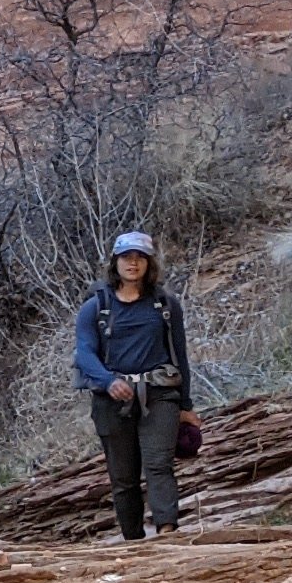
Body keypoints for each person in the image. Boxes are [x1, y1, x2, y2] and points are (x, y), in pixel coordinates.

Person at [74, 228, 192, 541]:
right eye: (127, 257)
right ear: (115, 262)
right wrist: (108, 381)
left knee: (159, 464)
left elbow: (179, 355)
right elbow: (84, 354)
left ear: (149, 264)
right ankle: (133, 541)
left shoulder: (165, 305)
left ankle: (167, 530)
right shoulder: (95, 307)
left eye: (141, 257)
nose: (134, 263)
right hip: (112, 401)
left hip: (160, 393)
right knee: (124, 478)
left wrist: (186, 406)